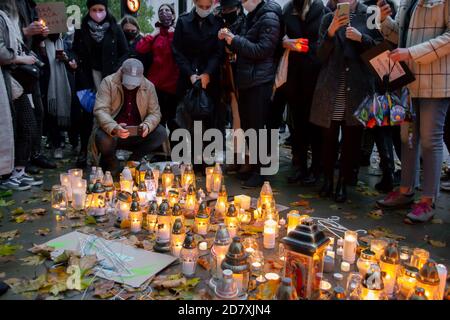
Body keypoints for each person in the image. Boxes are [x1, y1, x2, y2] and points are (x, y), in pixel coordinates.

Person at [376, 0, 450, 224]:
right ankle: (405, 190)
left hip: (436, 81)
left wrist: (412, 52)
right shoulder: (408, 1)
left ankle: (428, 200)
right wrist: (383, 20)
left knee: (429, 140)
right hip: (408, 80)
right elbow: (402, 36)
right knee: (406, 137)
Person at [310, 0, 382, 202]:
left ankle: (343, 182)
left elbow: (379, 50)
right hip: (331, 87)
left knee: (351, 140)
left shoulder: (369, 14)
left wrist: (362, 38)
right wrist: (331, 32)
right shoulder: (327, 18)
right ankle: (327, 181)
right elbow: (319, 55)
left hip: (357, 86)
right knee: (329, 139)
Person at [219, 0, 282, 188]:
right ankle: (254, 168)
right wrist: (231, 40)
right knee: (249, 128)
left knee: (258, 129)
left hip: (260, 81)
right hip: (247, 79)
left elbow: (262, 49)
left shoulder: (269, 17)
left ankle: (261, 173)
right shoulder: (251, 17)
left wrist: (234, 40)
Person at [72, 0, 129, 167]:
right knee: (86, 116)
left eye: (101, 9)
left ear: (106, 10)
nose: (98, 13)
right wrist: (73, 60)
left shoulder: (115, 29)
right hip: (87, 77)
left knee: (108, 114)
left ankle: (107, 152)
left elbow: (125, 52)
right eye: (94, 10)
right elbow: (74, 50)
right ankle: (84, 151)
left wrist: (118, 70)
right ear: (89, 11)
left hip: (109, 78)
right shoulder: (81, 30)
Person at [92, 59, 167, 176]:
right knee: (102, 138)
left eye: (134, 82)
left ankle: (132, 162)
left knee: (161, 133)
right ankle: (112, 163)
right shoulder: (108, 82)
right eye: (128, 81)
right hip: (114, 133)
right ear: (121, 72)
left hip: (138, 132)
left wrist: (147, 125)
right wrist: (114, 127)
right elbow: (100, 110)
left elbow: (155, 113)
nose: (130, 85)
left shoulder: (148, 86)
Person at [283, 0, 330, 185]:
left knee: (315, 126)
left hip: (315, 75)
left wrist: (306, 48)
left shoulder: (320, 9)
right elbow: (282, 35)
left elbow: (323, 42)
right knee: (297, 125)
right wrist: (286, 42)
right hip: (294, 75)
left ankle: (316, 168)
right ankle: (299, 165)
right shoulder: (288, 9)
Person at [172, 0, 224, 166]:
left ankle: (207, 160)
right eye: (201, 6)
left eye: (207, 7)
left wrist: (207, 73)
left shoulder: (218, 22)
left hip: (210, 79)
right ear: (194, 3)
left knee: (209, 120)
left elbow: (218, 52)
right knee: (186, 120)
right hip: (187, 78)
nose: (204, 10)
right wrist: (190, 74)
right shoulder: (183, 21)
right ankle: (188, 160)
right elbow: (177, 51)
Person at [0, 0, 43, 190]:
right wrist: (20, 58)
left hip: (15, 79)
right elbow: (2, 51)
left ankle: (17, 171)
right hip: (8, 78)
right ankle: (7, 175)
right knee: (14, 127)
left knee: (26, 124)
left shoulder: (11, 16)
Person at [16, 0, 56, 171]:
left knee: (38, 112)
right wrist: (25, 31)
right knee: (23, 116)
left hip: (30, 66)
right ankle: (22, 160)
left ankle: (35, 153)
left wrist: (42, 33)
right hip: (15, 66)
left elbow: (34, 33)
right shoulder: (8, 4)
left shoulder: (31, 5)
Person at [136, 4, 179, 141]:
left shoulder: (178, 33)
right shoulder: (155, 34)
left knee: (174, 122)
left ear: (173, 15)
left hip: (173, 85)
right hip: (155, 86)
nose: (164, 12)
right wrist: (154, 33)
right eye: (161, 11)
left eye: (167, 10)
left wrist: (172, 33)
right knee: (157, 120)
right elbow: (140, 48)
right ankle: (159, 151)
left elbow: (181, 51)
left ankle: (175, 153)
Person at [216, 0, 248, 174]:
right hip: (224, 75)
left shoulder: (245, 20)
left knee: (241, 119)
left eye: (231, 8)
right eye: (225, 8)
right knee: (235, 120)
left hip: (240, 75)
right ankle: (235, 157)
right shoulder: (217, 19)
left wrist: (230, 40)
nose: (227, 11)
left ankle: (244, 159)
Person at [39, 33, 72, 160]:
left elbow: (73, 60)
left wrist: (66, 59)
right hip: (47, 84)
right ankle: (55, 143)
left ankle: (62, 140)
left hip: (64, 84)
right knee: (50, 113)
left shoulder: (65, 42)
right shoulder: (41, 42)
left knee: (63, 111)